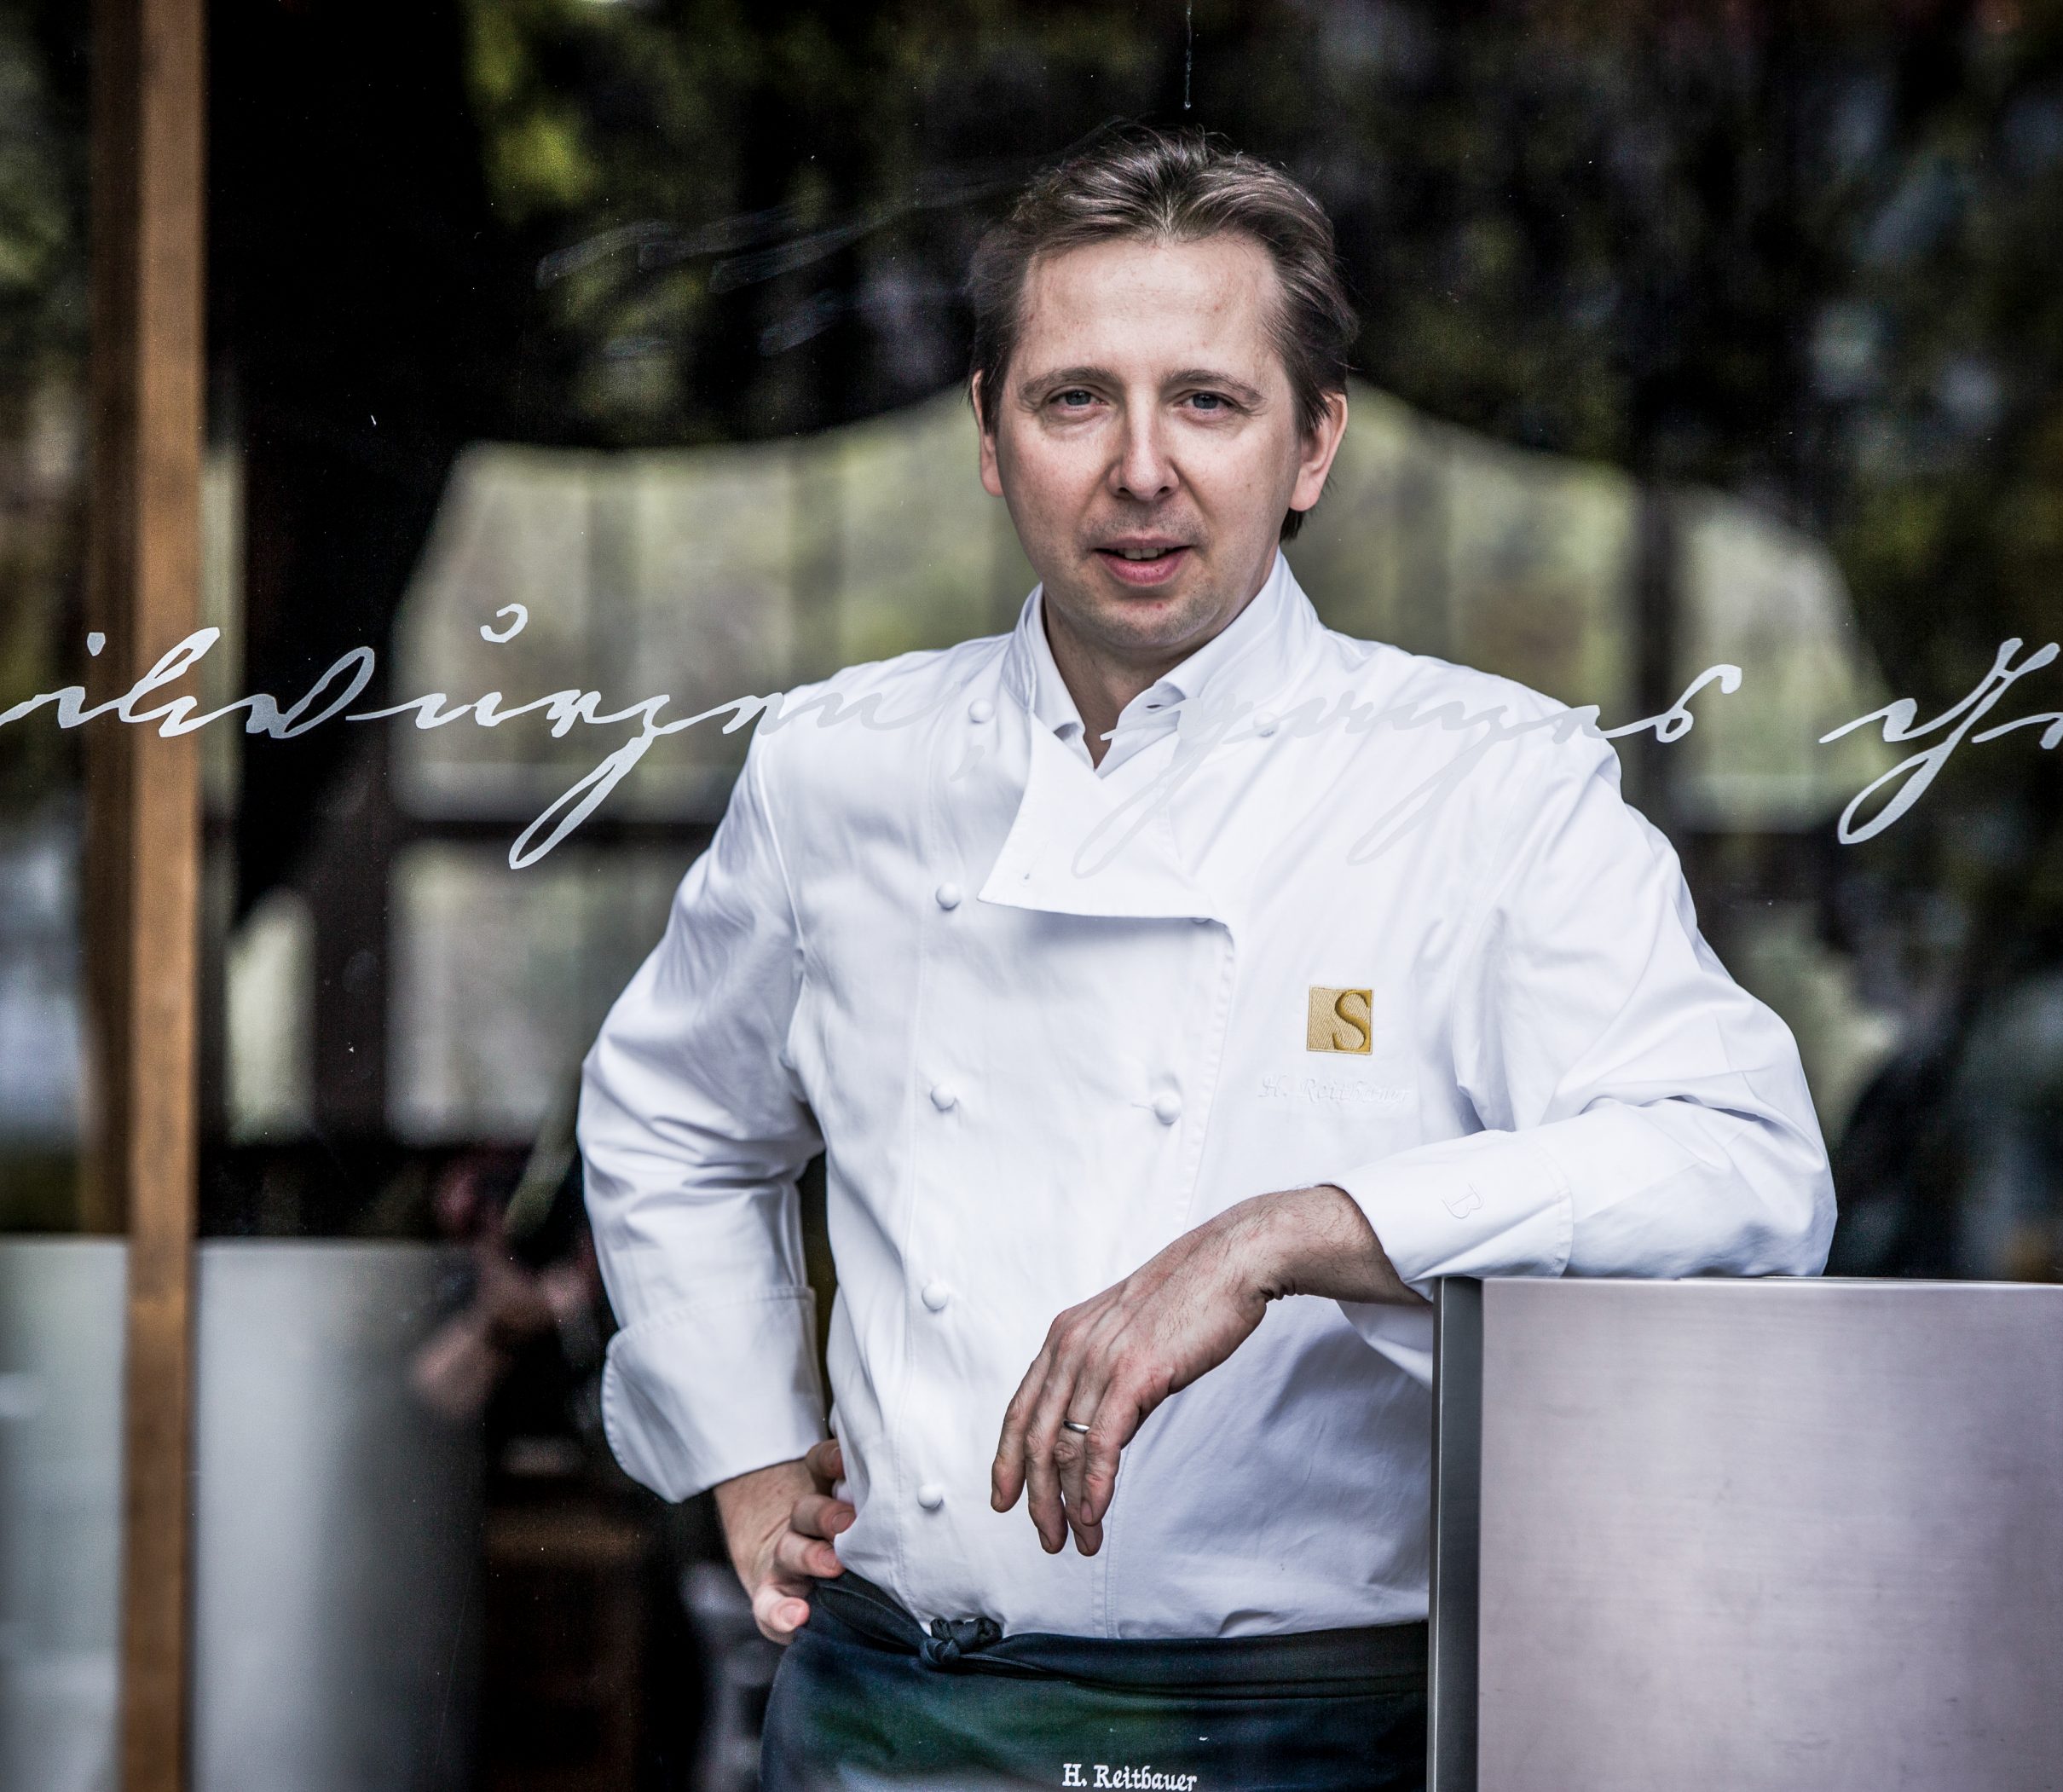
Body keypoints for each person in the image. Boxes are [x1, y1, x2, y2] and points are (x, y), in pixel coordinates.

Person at [577, 124, 1835, 1792]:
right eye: (1072, 397)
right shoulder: (841, 766)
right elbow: (672, 1115)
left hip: (1305, 1731)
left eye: (1208, 401)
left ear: (1312, 446)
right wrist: (738, 1443)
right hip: (890, 1716)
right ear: (985, 434)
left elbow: (1744, 1174)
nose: (1139, 468)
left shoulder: (1482, 780)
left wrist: (1290, 1234)